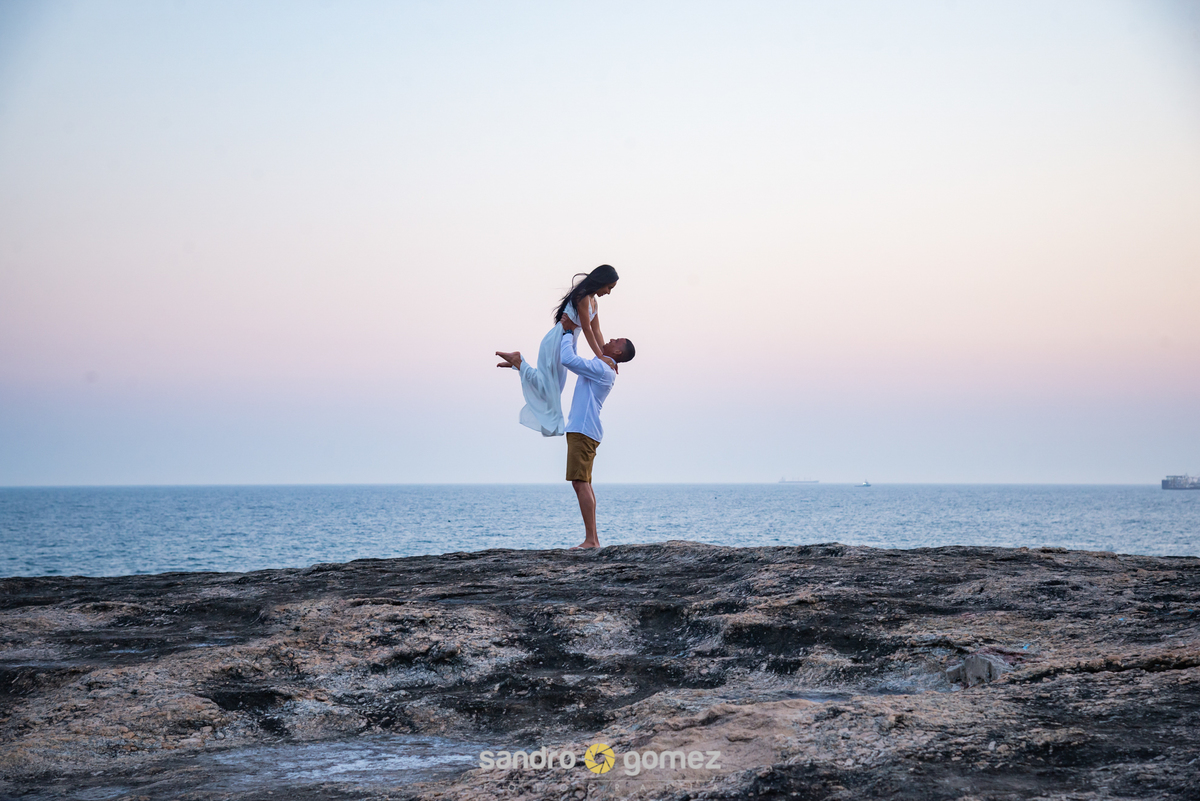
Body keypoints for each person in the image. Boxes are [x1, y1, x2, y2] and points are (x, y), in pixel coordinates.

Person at [495, 265, 618, 437]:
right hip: (557, 341)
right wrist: (600, 357)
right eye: (609, 287)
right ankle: (518, 362)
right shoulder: (582, 296)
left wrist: (606, 357)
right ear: (602, 281)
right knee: (549, 390)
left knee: (554, 390)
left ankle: (518, 363)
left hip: (567, 343)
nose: (609, 292)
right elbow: (587, 329)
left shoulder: (594, 301)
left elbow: (597, 331)